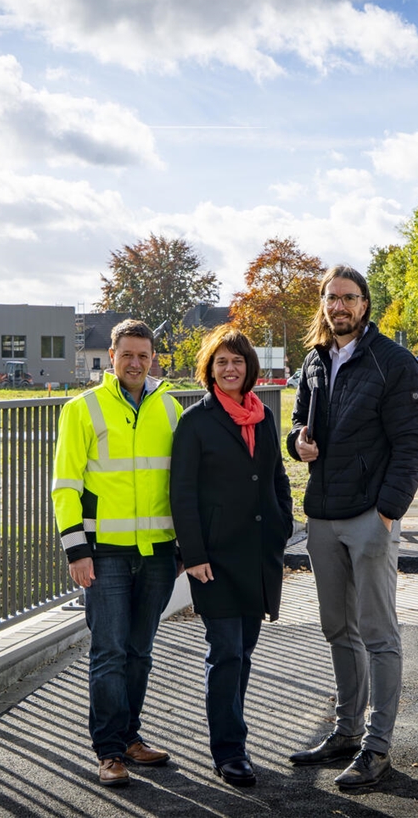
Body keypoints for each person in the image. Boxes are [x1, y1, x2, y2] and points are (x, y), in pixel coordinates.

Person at [286, 265, 418, 788]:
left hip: (371, 515)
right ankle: (346, 731)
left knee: (378, 633)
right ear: (323, 304)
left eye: (348, 298)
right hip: (323, 516)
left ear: (365, 304)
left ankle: (377, 746)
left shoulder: (393, 362)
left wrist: (387, 513)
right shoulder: (315, 360)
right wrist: (297, 443)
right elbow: (298, 425)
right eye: (332, 298)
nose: (339, 307)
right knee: (337, 629)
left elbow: (414, 446)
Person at [51, 319, 183, 787]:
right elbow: (65, 486)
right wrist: (76, 551)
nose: (134, 363)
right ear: (111, 356)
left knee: (139, 652)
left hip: (157, 554)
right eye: (126, 354)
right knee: (109, 652)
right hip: (103, 554)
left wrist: (181, 548)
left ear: (153, 358)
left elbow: (181, 483)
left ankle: (130, 738)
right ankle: (108, 751)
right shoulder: (82, 408)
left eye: (143, 355)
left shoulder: (170, 408)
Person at [170, 325, 293, 788]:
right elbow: (182, 493)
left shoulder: (263, 415)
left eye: (237, 361)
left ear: (249, 367)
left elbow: (276, 475)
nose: (230, 368)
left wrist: (283, 522)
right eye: (221, 361)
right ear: (210, 368)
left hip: (258, 555)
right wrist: (193, 553)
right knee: (224, 652)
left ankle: (232, 740)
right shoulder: (195, 421)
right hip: (215, 559)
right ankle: (229, 750)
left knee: (243, 651)